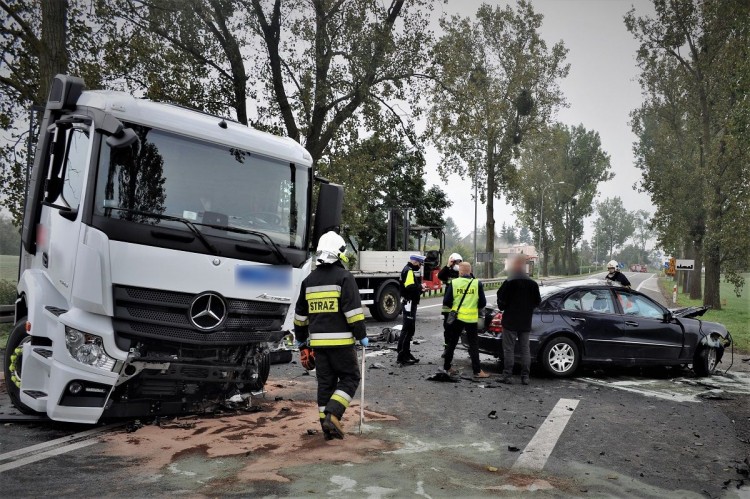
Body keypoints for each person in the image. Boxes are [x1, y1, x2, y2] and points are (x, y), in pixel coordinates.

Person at [293, 231, 368, 440]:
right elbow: (353, 312)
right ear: (339, 252)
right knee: (350, 378)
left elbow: (300, 317)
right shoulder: (344, 277)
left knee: (325, 384)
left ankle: (326, 428)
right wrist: (361, 335)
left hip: (319, 346)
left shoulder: (309, 281)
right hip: (342, 344)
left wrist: (301, 341)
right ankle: (333, 415)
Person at [496, 255, 541, 385]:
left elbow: (501, 301)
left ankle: (507, 376)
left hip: (510, 321)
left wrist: (506, 306)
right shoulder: (532, 284)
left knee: (509, 349)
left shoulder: (509, 282)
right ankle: (525, 376)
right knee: (525, 349)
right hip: (525, 321)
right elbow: (537, 301)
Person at [442, 262, 490, 378]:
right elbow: (483, 303)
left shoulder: (454, 282)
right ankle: (477, 371)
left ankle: (447, 367)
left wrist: (455, 306)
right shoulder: (476, 283)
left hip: (457, 318)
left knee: (452, 343)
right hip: (471, 319)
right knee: (473, 345)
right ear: (470, 271)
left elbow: (446, 301)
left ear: (460, 272)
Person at [398, 254, 426, 365]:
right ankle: (403, 355)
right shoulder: (409, 270)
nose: (419, 266)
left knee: (408, 329)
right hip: (409, 303)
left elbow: (408, 286)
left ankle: (405, 353)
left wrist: (419, 289)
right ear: (415, 262)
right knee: (408, 329)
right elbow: (409, 287)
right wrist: (420, 287)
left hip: (408, 302)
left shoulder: (406, 269)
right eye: (419, 264)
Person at [437, 253, 462, 358]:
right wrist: (448, 266)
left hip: (460, 305)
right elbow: (440, 276)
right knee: (447, 329)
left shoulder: (463, 273)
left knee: (460, 328)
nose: (456, 264)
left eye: (458, 262)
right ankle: (447, 349)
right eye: (454, 262)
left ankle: (468, 349)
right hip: (448, 306)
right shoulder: (448, 272)